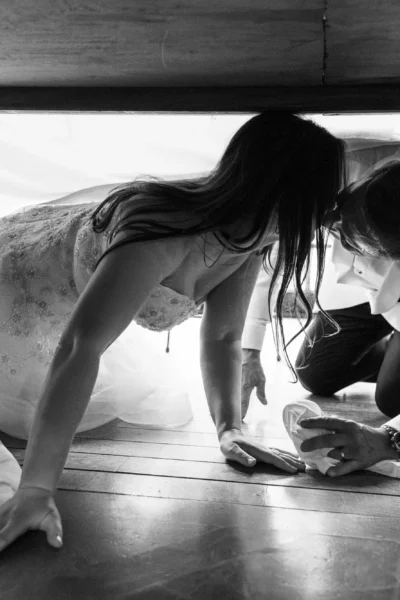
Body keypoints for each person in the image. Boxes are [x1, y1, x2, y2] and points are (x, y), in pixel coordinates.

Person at [0, 112, 346, 551]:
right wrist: (36, 489)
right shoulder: (161, 233)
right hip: (13, 285)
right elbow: (78, 347)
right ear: (284, 190)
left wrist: (229, 428)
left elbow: (223, 337)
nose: (333, 210)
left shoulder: (253, 236)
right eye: (325, 194)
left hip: (66, 306)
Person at [242, 149, 400, 477]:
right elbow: (270, 258)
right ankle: (387, 354)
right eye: (341, 210)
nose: (329, 224)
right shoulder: (339, 166)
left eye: (355, 239)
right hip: (350, 295)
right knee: (315, 374)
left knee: (392, 400)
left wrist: (389, 438)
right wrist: (250, 351)